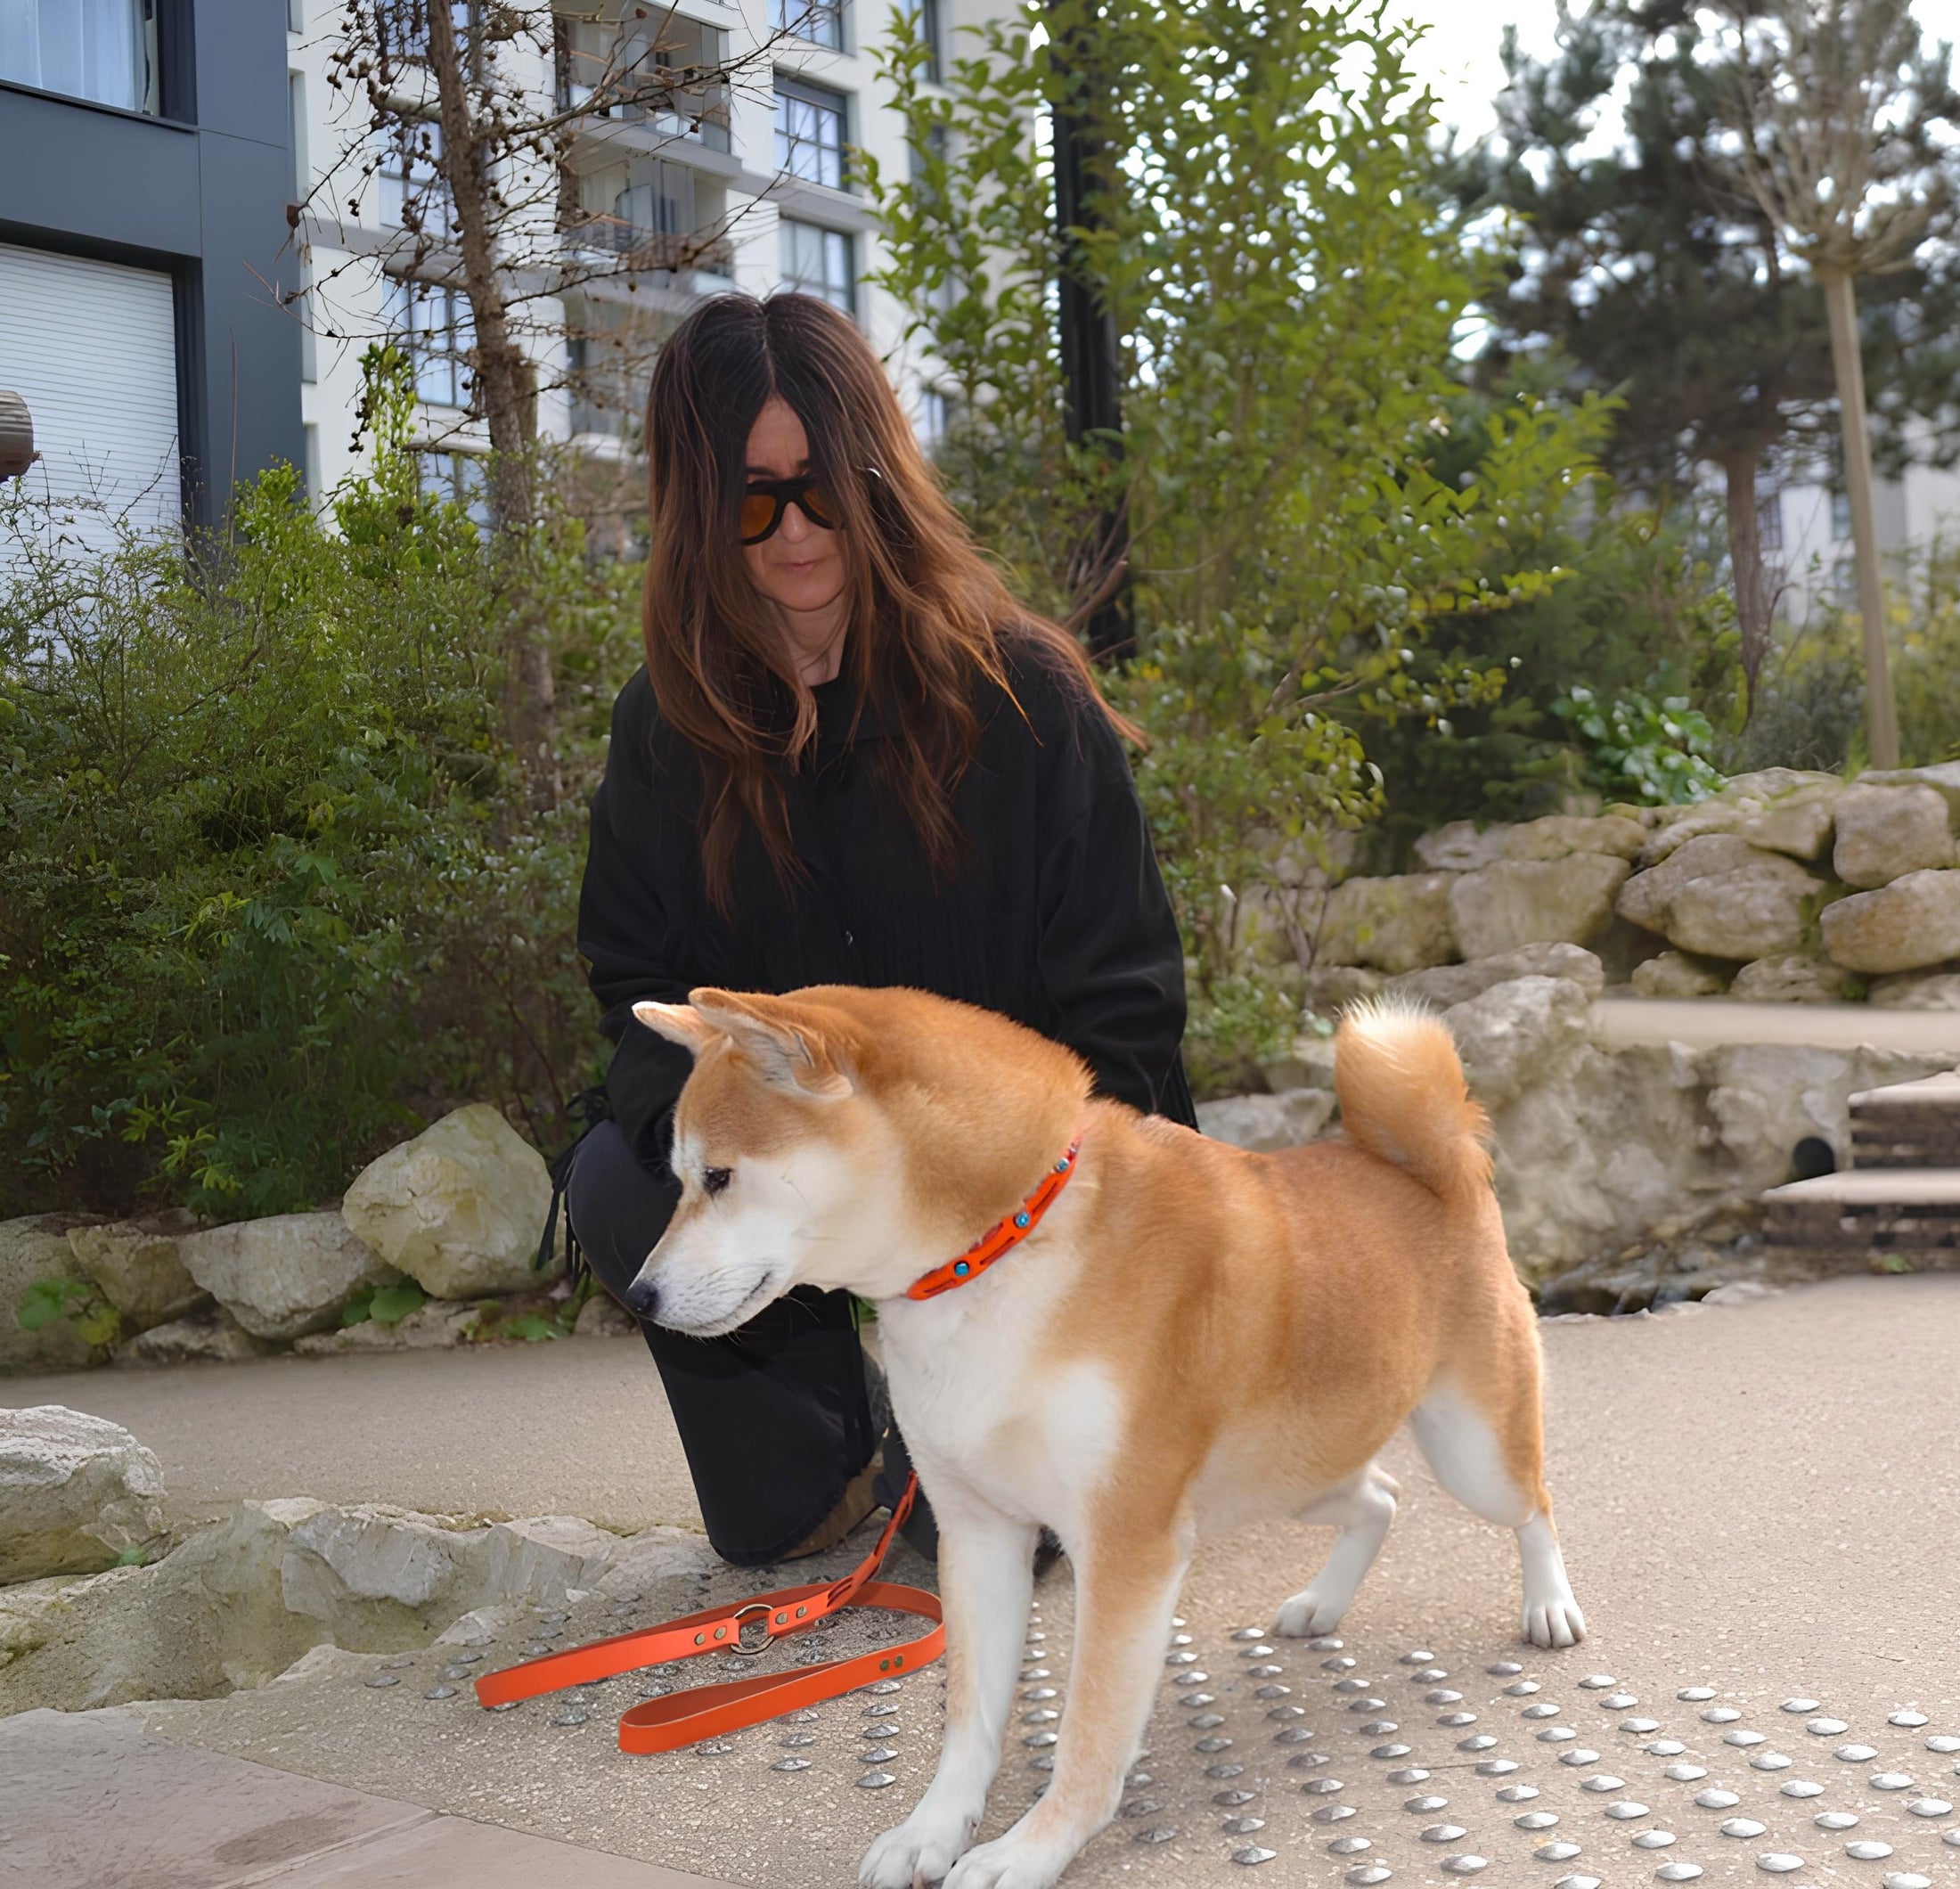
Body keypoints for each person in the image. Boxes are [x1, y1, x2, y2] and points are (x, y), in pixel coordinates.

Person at [568, 290, 1195, 1570]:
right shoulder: (664, 733)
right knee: (622, 1179)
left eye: (824, 489)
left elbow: (1128, 1021)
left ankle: (1008, 1428)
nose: (795, 532)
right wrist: (741, 1122)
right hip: (813, 1189)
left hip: (1025, 1210)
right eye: (752, 499)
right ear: (700, 511)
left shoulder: (1025, 700)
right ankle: (830, 1455)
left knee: (1011, 1546)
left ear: (880, 481)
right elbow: (631, 987)